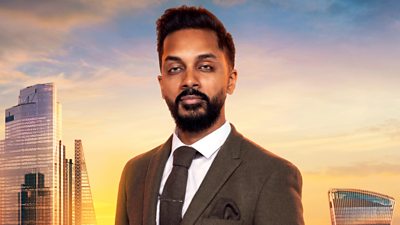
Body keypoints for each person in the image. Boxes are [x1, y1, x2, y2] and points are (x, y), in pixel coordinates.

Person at [116, 5, 304, 225]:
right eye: (175, 69)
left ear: (231, 80)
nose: (189, 80)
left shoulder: (272, 175)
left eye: (205, 66)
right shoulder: (135, 172)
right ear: (161, 84)